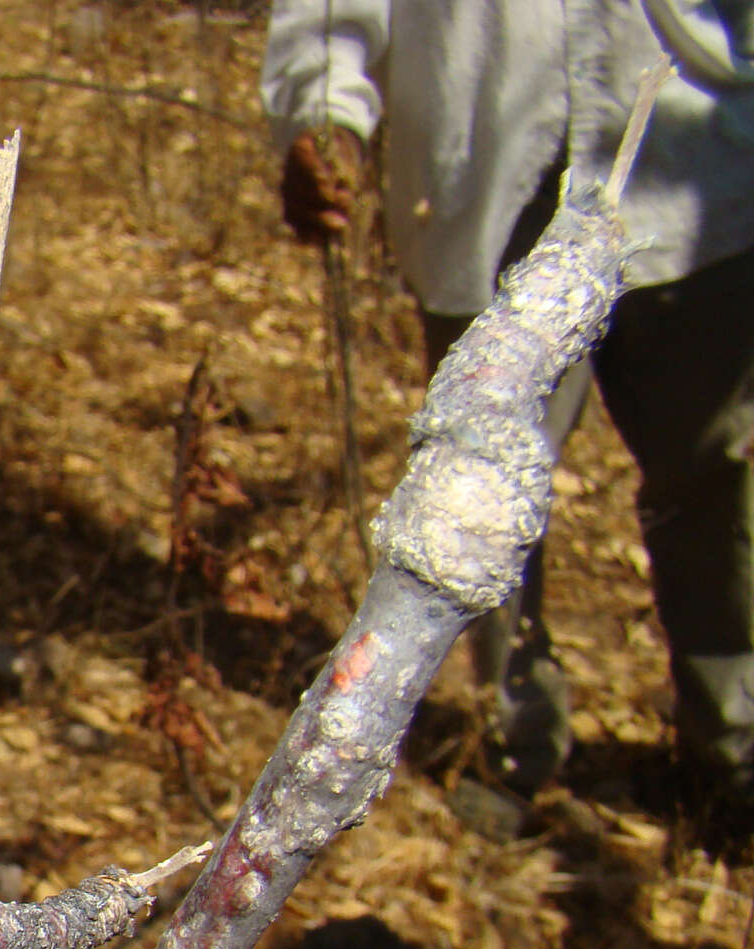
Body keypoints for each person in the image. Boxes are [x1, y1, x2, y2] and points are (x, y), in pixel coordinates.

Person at [262, 2, 754, 798]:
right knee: (479, 505)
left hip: (701, 169)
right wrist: (323, 111)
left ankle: (733, 747)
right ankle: (515, 738)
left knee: (709, 479)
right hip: (480, 181)